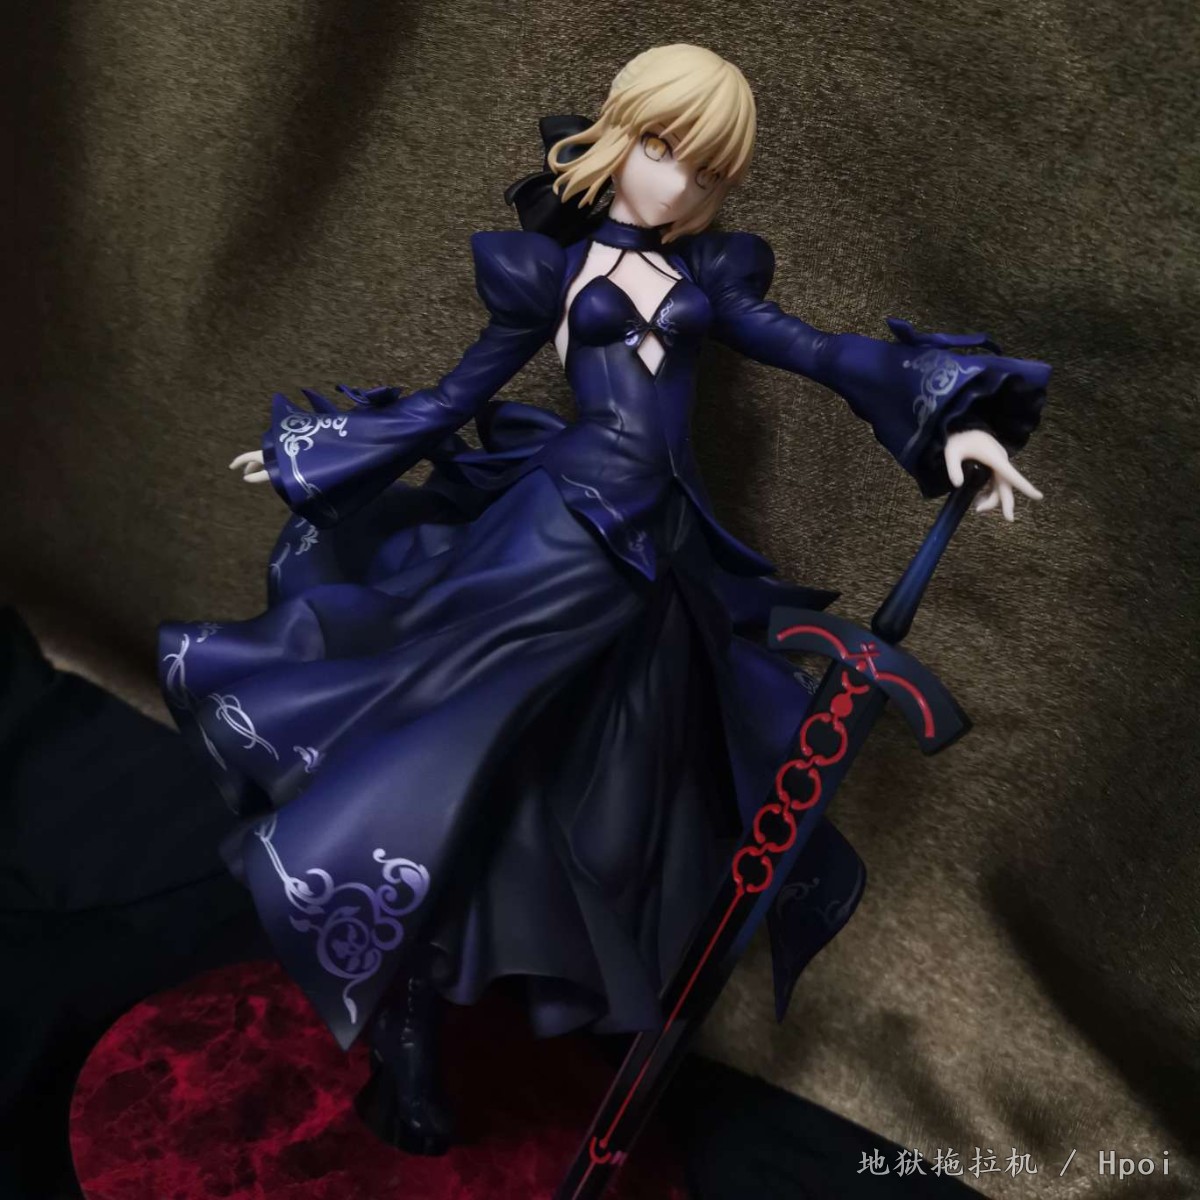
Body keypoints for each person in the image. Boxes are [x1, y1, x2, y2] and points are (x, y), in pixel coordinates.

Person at [158, 43, 1049, 1156]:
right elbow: (453, 399)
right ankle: (403, 1014)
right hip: (552, 541)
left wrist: (954, 419)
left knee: (578, 803)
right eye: (668, 149)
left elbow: (819, 350)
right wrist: (314, 454)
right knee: (453, 750)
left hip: (655, 564)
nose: (682, 184)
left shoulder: (712, 280)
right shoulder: (550, 275)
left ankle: (448, 995)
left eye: (710, 171)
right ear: (621, 135)